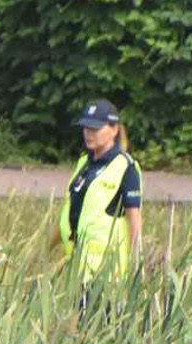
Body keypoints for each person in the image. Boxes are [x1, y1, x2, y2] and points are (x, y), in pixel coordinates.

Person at [58, 99, 142, 281]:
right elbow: (70, 212)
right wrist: (44, 253)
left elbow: (135, 223)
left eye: (95, 128)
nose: (89, 133)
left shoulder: (125, 167)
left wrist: (137, 272)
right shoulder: (83, 163)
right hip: (76, 271)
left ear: (114, 130)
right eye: (86, 128)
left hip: (106, 276)